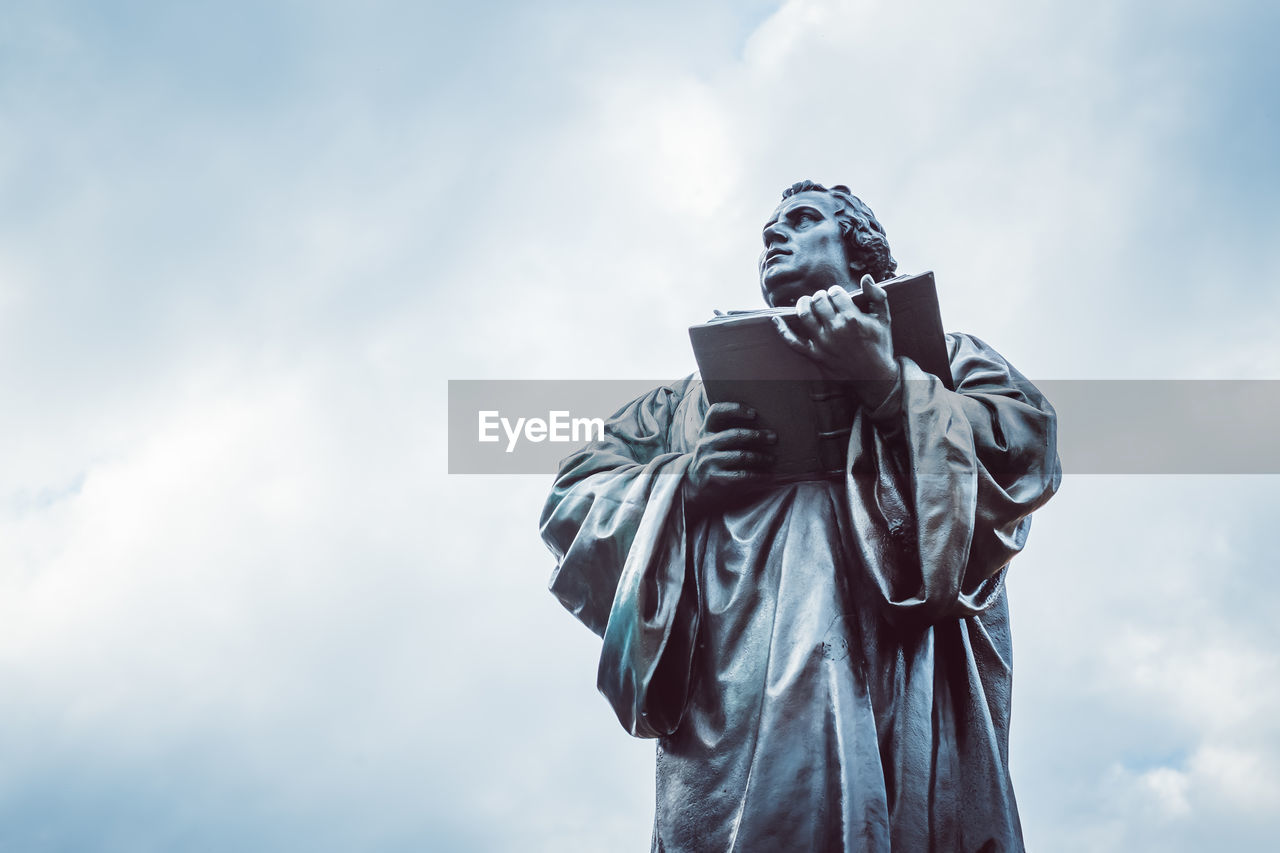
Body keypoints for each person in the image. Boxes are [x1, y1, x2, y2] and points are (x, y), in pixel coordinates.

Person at [540, 181, 1060, 852]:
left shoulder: (951, 360)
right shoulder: (683, 407)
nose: (773, 237)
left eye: (802, 220)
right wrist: (685, 483)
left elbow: (1024, 444)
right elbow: (572, 498)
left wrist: (890, 386)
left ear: (861, 252)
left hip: (900, 685)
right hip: (739, 709)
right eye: (767, 230)